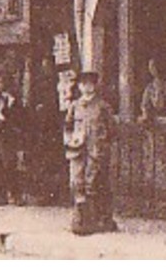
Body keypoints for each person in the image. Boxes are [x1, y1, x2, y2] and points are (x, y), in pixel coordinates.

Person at [63, 70, 116, 235]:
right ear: (79, 86)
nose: (87, 87)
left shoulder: (102, 106)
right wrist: (70, 140)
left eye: (90, 84)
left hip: (96, 151)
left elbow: (112, 129)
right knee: (77, 182)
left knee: (93, 183)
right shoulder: (75, 106)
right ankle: (81, 219)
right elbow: (68, 126)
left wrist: (103, 144)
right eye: (84, 84)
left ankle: (98, 219)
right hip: (78, 151)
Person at [0, 73, 23, 205]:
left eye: (3, 82)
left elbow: (19, 117)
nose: (1, 85)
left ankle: (15, 194)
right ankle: (0, 195)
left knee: (10, 164)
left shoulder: (15, 100)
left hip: (10, 135)